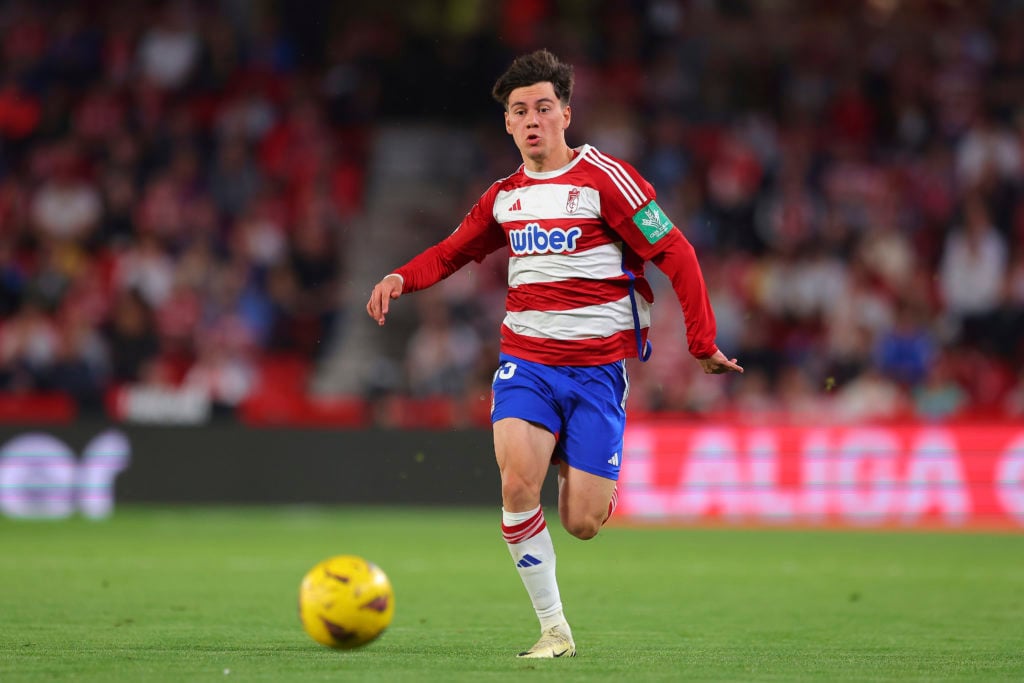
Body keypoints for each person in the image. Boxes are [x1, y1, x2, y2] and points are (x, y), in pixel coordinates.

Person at [366, 49, 742, 658]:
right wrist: (399, 279)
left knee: (582, 523)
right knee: (517, 486)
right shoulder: (503, 198)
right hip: (527, 364)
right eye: (520, 111)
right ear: (509, 125)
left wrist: (701, 343)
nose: (533, 119)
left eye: (544, 107)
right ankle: (554, 629)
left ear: (566, 114)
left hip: (596, 372)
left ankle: (587, 468)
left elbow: (678, 253)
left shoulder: (606, 180)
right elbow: (451, 252)